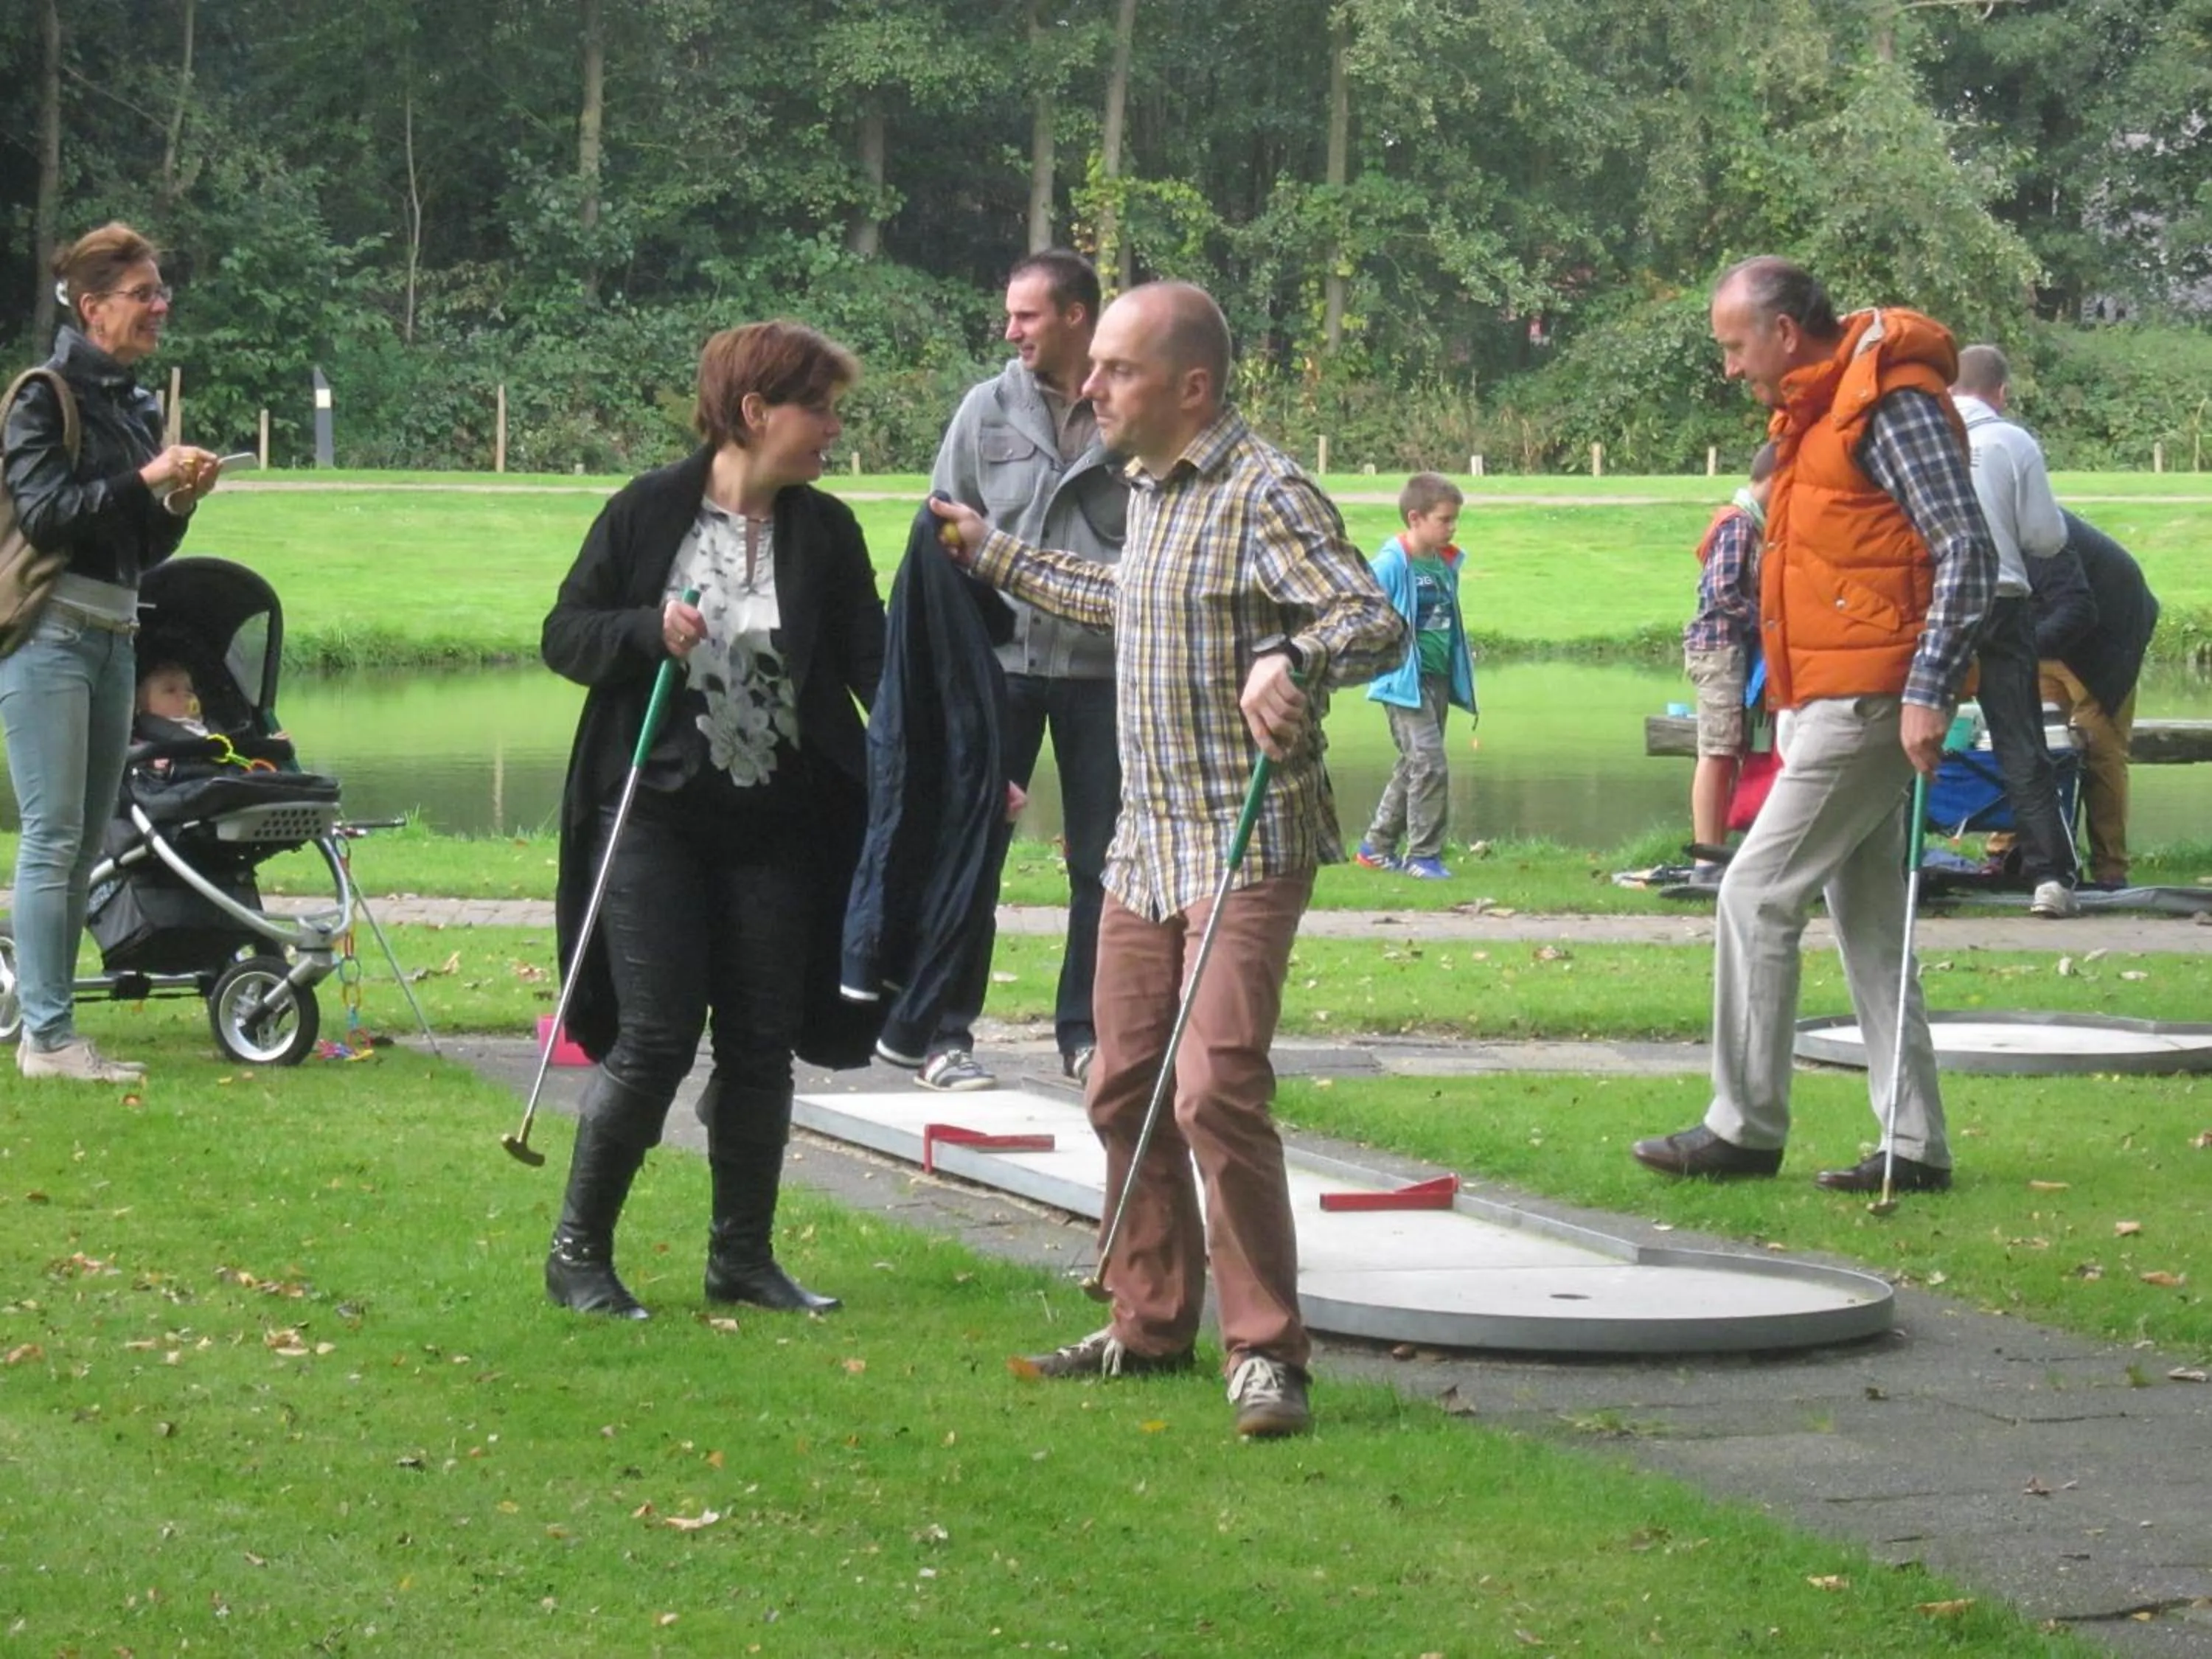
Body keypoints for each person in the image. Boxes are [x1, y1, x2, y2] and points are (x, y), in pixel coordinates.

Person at [930, 281, 1407, 1439]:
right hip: (1141, 846)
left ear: (1192, 387)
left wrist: (1292, 652)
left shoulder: (1264, 487)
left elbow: (1370, 619)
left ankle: (1267, 1353)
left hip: (1244, 840)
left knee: (1216, 1090)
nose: (1090, 387)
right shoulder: (1144, 489)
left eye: (1117, 371)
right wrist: (996, 553)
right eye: (1093, 368)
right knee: (1121, 1083)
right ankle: (1149, 1324)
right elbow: (1127, 597)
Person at [540, 320, 886, 1321]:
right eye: (817, 408)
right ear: (753, 412)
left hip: (779, 821)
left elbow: (873, 666)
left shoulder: (826, 531)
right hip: (655, 812)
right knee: (653, 1038)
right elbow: (566, 632)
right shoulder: (649, 512)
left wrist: (945, 765)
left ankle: (742, 1256)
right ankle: (578, 1254)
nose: (830, 429)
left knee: (761, 1042)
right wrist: (647, 629)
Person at [1632, 257, 1995, 1197]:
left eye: (1733, 344)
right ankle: (1915, 1146)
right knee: (1868, 916)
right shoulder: (1819, 411)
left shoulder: (1888, 403)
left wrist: (1930, 688)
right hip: (1834, 692)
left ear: (1784, 332)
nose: (1729, 367)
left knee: (1754, 894)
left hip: (1873, 695)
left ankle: (1743, 1127)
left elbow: (1966, 545)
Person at [1, 222, 223, 1082]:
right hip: (49, 635)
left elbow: (141, 550)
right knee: (53, 837)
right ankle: (48, 1038)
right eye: (144, 295)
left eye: (161, 293)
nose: (160, 307)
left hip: (116, 631)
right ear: (93, 308)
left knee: (87, 836)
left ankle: (47, 1027)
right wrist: (145, 479)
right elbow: (47, 515)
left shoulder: (135, 403)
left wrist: (177, 504)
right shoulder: (41, 396)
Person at [914, 250, 1127, 1092]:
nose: (1011, 331)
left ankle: (1086, 1036)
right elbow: (938, 533)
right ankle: (944, 1035)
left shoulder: (1128, 410)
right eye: (1010, 315)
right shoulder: (985, 408)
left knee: (1104, 864)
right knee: (971, 851)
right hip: (996, 672)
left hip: (1104, 676)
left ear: (1076, 315)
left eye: (1027, 315)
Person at [1951, 344, 2079, 917]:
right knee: (2019, 739)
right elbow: (2046, 538)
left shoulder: (1922, 435)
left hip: (1936, 601)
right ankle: (2049, 876)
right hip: (2001, 599)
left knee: (1903, 726)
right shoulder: (2012, 440)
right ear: (1998, 391)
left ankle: (1888, 857)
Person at [1353, 472, 1478, 880]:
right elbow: (1361, 611)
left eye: (1454, 519)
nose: (1452, 527)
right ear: (1415, 518)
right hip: (1403, 681)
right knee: (1430, 763)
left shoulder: (1444, 562)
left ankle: (1376, 847)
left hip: (1437, 678)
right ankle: (1423, 856)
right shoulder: (1391, 564)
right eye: (1444, 519)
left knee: (1414, 764)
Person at [2031, 509, 2160, 888]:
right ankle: (2016, 852)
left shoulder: (2040, 528)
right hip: (2045, 634)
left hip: (2109, 634)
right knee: (2032, 743)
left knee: (2100, 749)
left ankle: (2110, 868)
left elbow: (2078, 609)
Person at [1679, 444, 1777, 876]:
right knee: (1716, 750)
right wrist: (1767, 621)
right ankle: (1706, 856)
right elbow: (1721, 593)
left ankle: (1719, 852)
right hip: (1719, 648)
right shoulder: (1738, 525)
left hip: (1735, 648)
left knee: (1731, 748)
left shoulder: (1752, 524)